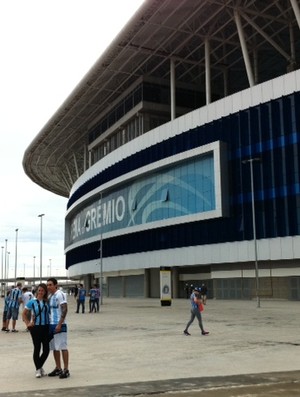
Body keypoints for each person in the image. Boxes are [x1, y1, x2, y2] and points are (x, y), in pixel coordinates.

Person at [22, 283, 50, 378]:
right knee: (37, 348)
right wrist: (27, 324)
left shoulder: (47, 301)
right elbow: (24, 314)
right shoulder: (32, 302)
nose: (41, 292)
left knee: (46, 349)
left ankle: (39, 366)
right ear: (37, 291)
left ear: (45, 292)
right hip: (35, 328)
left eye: (43, 290)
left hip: (46, 327)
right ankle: (38, 369)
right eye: (39, 290)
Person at [47, 277, 70, 379]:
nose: (48, 287)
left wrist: (60, 324)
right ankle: (58, 368)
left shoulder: (60, 294)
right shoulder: (50, 296)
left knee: (62, 346)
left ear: (56, 285)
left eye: (50, 285)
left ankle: (66, 369)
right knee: (55, 348)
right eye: (47, 285)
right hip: (51, 325)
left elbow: (65, 309)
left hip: (59, 324)